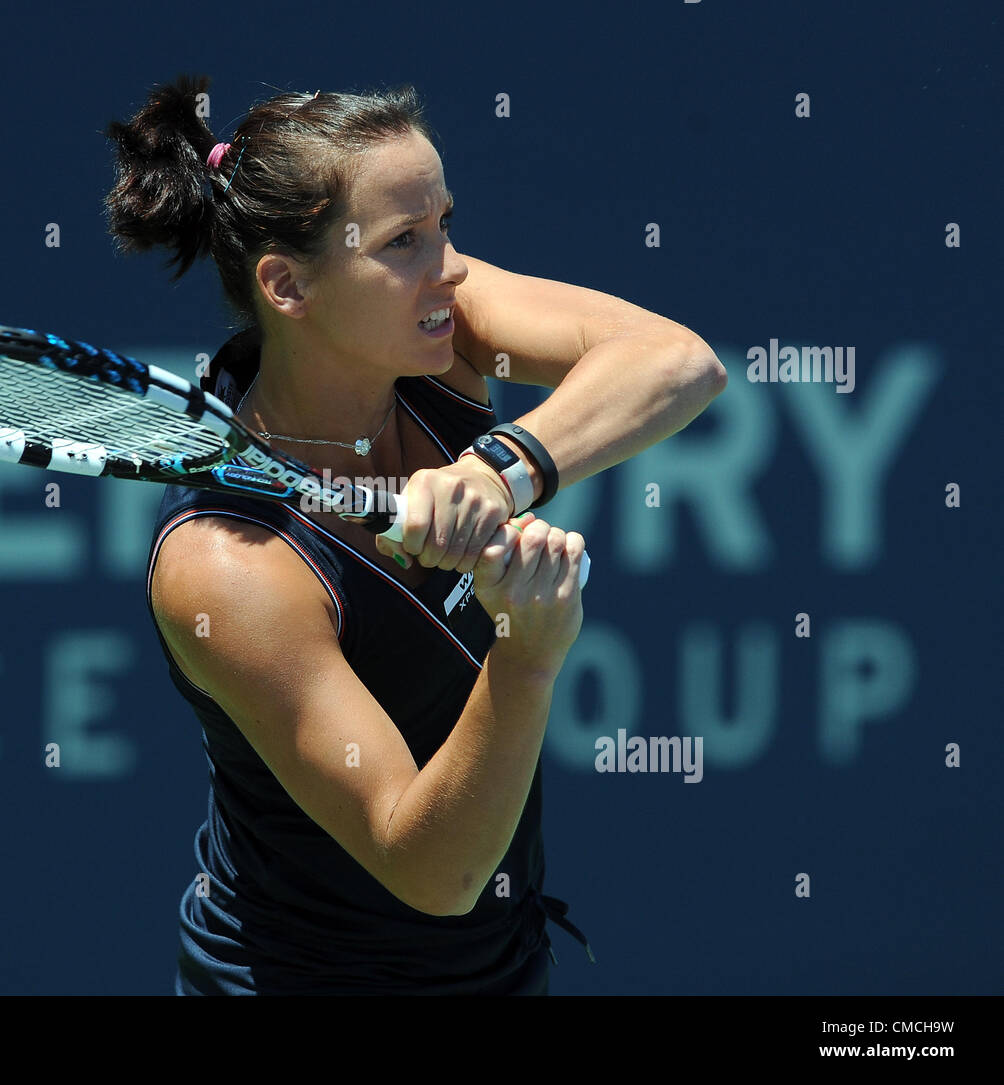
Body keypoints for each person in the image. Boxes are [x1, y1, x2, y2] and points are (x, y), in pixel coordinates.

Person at [105, 74, 726, 994]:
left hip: (501, 967)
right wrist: (526, 656)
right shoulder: (227, 569)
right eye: (404, 241)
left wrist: (497, 468)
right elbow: (432, 870)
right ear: (288, 284)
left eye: (444, 223)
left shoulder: (440, 329)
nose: (452, 267)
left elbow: (680, 362)